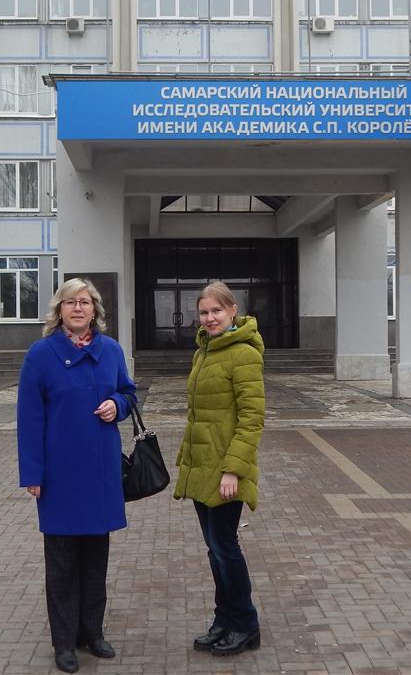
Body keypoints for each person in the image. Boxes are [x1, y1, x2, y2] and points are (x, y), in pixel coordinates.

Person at [17, 278, 136, 674]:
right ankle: (64, 641)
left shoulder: (111, 350)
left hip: (101, 473)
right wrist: (32, 473)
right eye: (70, 302)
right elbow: (29, 419)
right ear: (59, 310)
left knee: (95, 559)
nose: (78, 308)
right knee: (62, 563)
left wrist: (116, 404)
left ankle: (92, 633)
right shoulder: (41, 354)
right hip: (60, 476)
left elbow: (129, 393)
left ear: (95, 309)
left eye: (85, 302)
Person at [174, 281, 265, 656]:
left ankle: (245, 624)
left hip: (226, 471)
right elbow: (199, 416)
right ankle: (224, 620)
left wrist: (233, 470)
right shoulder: (204, 352)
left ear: (233, 311)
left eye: (216, 311)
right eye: (204, 312)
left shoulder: (243, 354)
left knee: (226, 548)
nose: (209, 318)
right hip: (202, 466)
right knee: (215, 549)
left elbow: (252, 419)